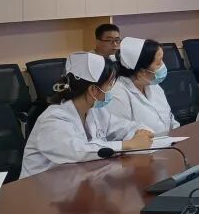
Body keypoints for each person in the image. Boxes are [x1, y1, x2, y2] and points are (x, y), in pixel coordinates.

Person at [21, 52, 153, 177]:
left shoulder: (95, 111)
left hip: (77, 180)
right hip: (40, 188)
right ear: (93, 90)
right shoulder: (53, 119)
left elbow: (127, 127)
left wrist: (139, 135)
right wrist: (127, 145)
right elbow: (77, 151)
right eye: (109, 85)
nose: (111, 90)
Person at [108, 37, 179, 135]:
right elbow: (120, 134)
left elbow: (169, 117)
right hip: (148, 144)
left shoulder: (153, 85)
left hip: (170, 140)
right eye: (159, 63)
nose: (163, 65)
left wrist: (178, 131)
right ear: (141, 72)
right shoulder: (118, 94)